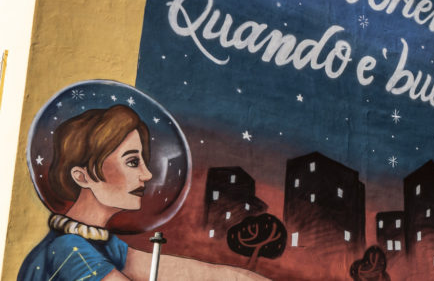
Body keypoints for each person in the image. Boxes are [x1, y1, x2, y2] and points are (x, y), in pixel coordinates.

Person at [19, 104, 266, 280]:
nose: (147, 175)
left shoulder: (103, 246)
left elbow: (205, 275)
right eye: (133, 162)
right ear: (82, 176)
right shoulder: (69, 250)